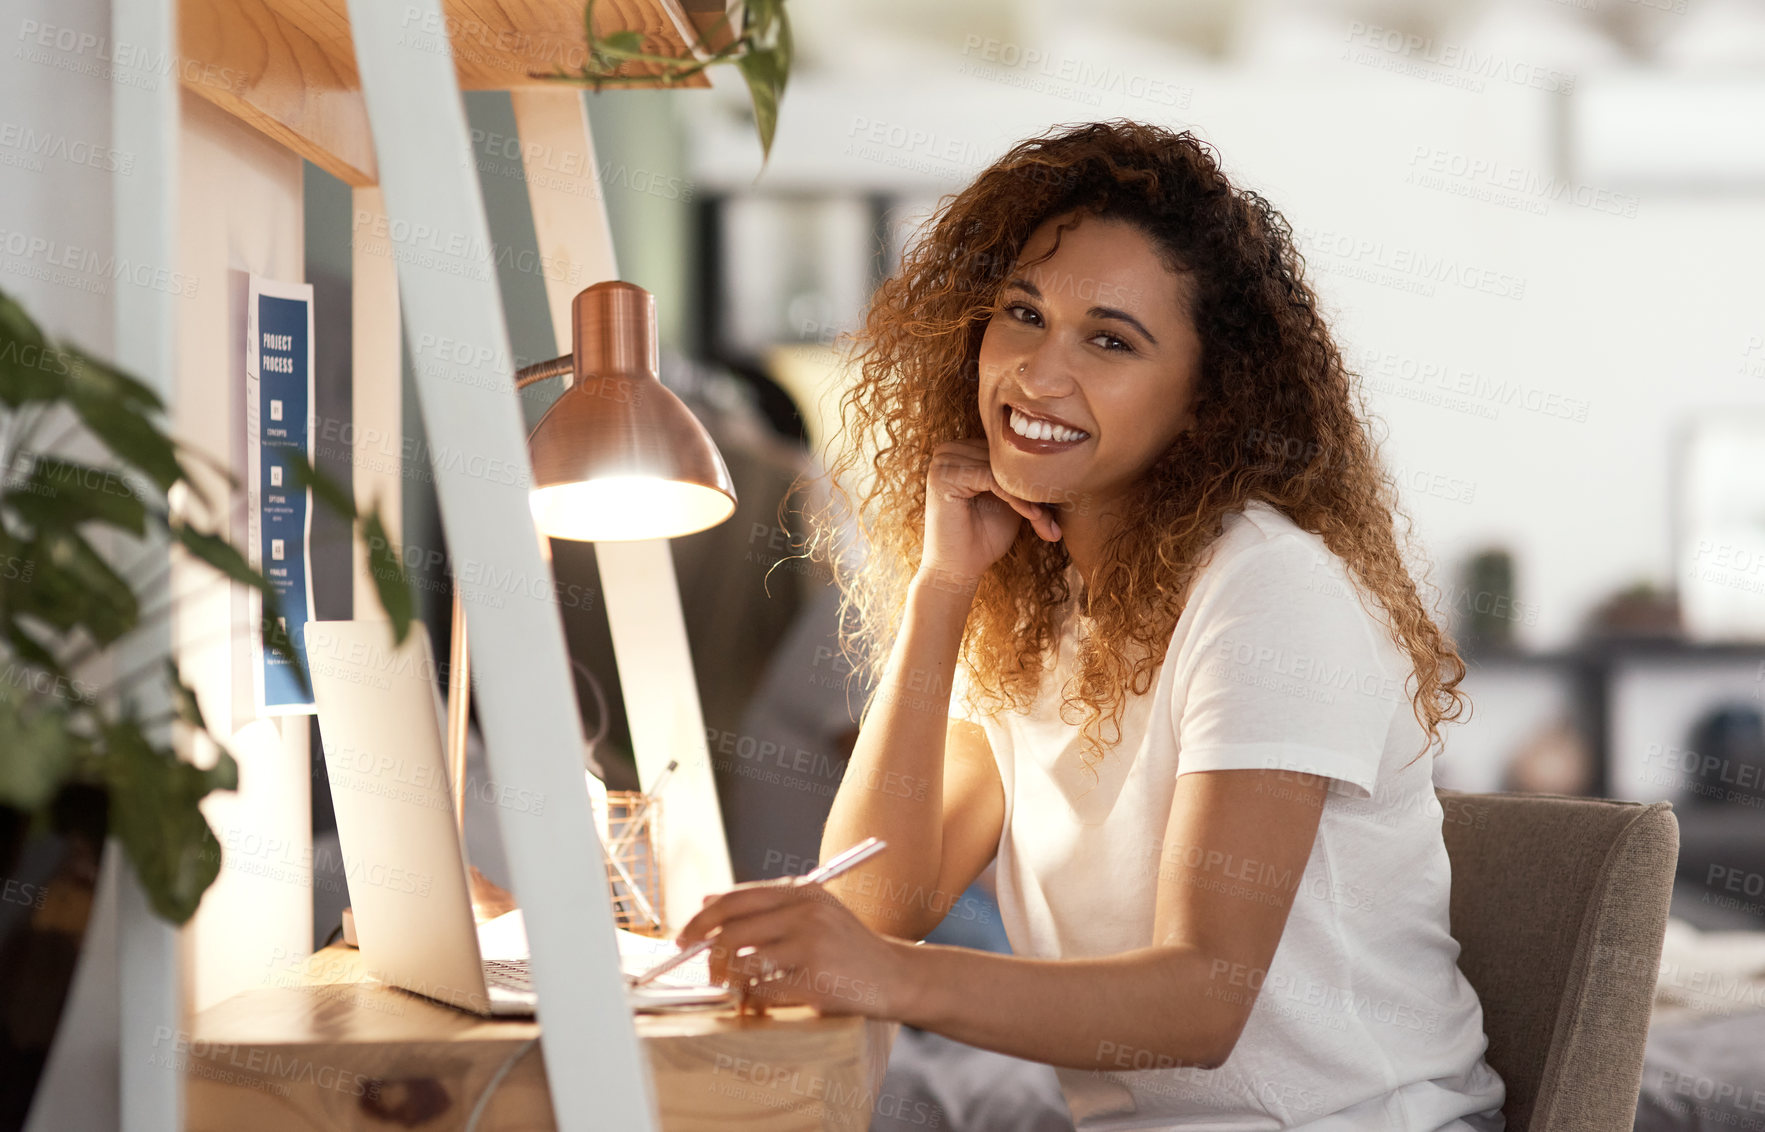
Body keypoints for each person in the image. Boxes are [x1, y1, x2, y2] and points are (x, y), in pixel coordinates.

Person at [676, 119, 1508, 1131]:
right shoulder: (1036, 603)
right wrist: (942, 587)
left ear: (1207, 402)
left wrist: (893, 976)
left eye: (1109, 340)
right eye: (1021, 314)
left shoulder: (1267, 590)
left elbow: (1200, 1003)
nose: (1034, 372)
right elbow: (875, 901)